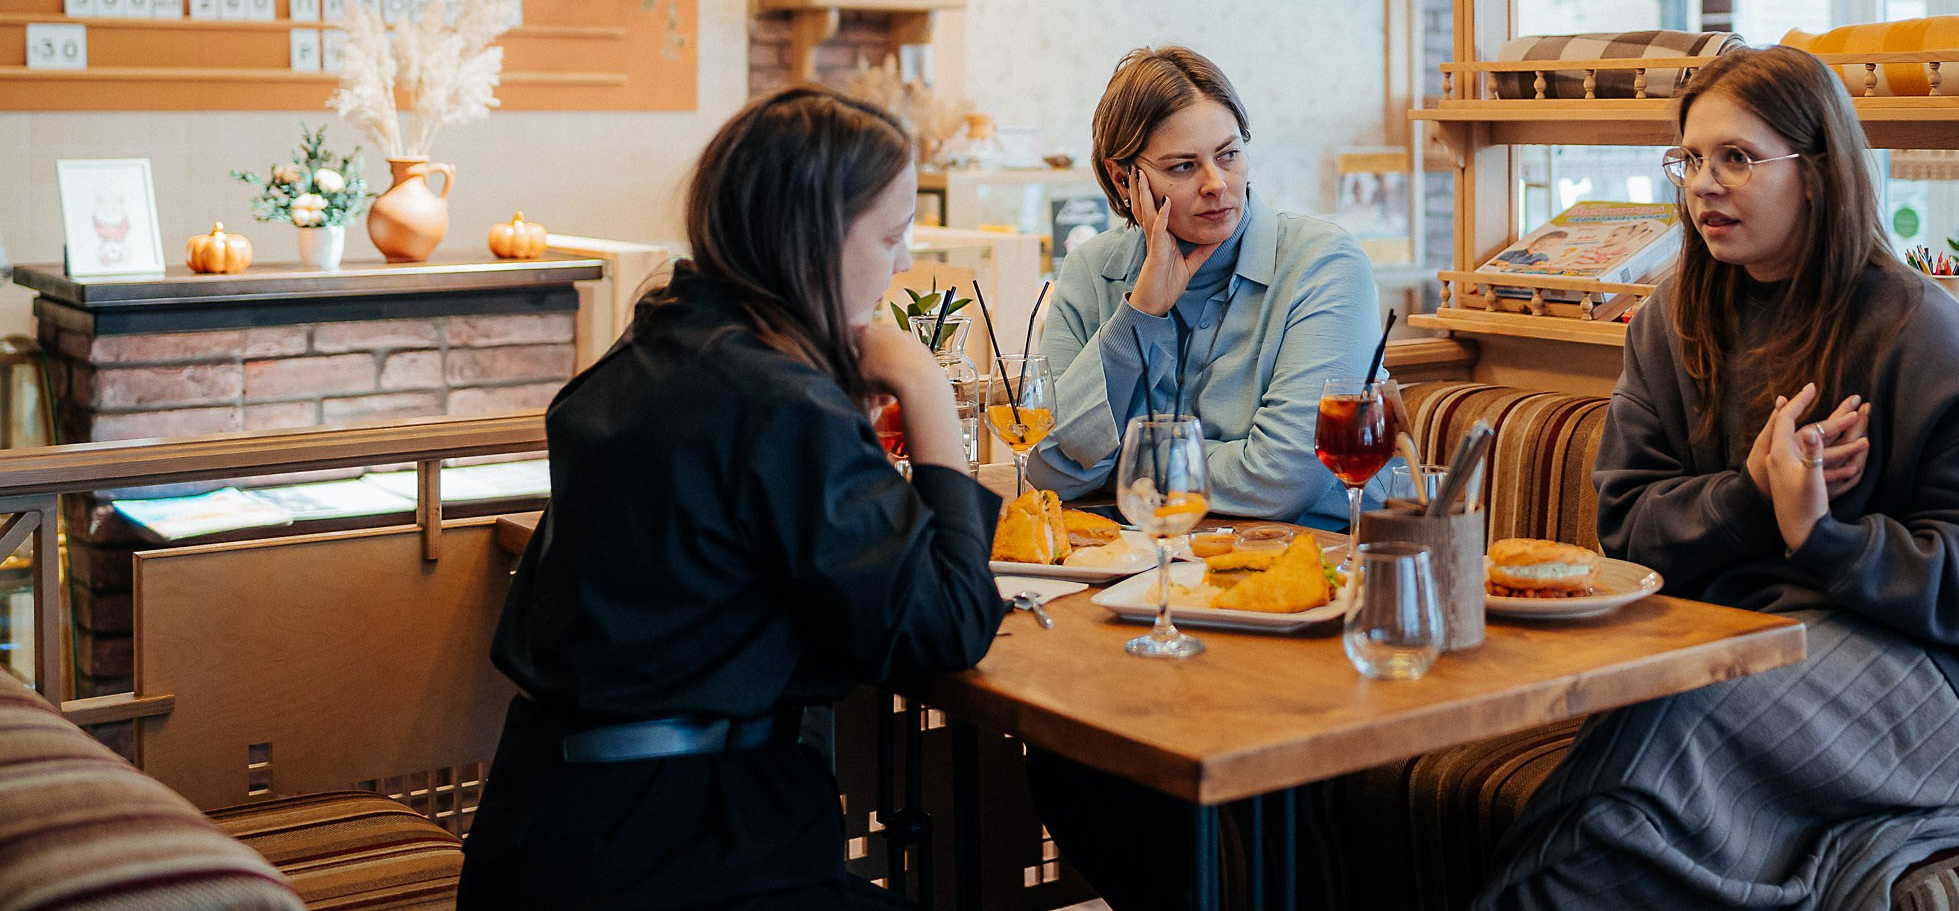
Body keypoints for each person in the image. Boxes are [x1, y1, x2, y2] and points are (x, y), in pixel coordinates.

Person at [1475, 45, 1959, 911]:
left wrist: (1822, 536)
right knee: (1627, 762)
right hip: (1747, 638)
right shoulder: (1668, 321)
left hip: (1957, 682)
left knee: (1673, 733)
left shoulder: (1923, 331)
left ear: (1820, 170)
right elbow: (1630, 531)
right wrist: (1755, 497)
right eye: (1690, 159)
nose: (1703, 185)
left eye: (1738, 158)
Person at [459, 87, 1004, 911]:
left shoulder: (655, 347)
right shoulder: (777, 400)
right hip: (680, 854)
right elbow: (952, 623)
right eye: (892, 236)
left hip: (545, 838)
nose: (902, 265)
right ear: (813, 241)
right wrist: (927, 387)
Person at [1030, 44, 1382, 530]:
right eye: (1183, 167)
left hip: (1307, 563)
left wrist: (1123, 466)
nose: (1217, 183)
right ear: (1123, 177)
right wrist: (1141, 311)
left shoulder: (1322, 264)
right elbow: (1047, 466)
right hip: (1140, 563)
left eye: (1229, 155)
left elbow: (1281, 479)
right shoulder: (1092, 270)